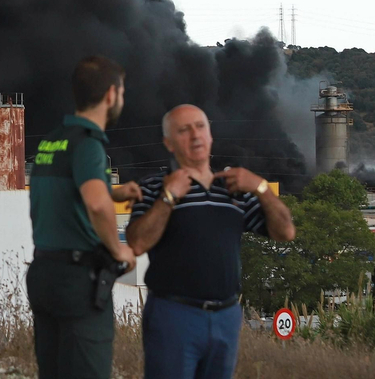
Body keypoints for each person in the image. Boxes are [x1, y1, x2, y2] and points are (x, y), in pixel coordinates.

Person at [125, 104, 296, 379]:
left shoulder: (235, 190)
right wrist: (168, 198)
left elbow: (286, 232)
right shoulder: (154, 187)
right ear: (169, 143)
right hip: (174, 315)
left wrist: (260, 187)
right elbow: (137, 242)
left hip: (225, 316)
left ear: (211, 135)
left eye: (200, 126)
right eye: (184, 130)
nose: (195, 135)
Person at [28, 55, 142, 379]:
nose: (121, 98)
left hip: (43, 274)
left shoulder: (53, 140)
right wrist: (118, 249)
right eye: (121, 92)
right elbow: (95, 204)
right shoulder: (89, 146)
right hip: (77, 281)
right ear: (110, 95)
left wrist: (118, 193)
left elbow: (75, 190)